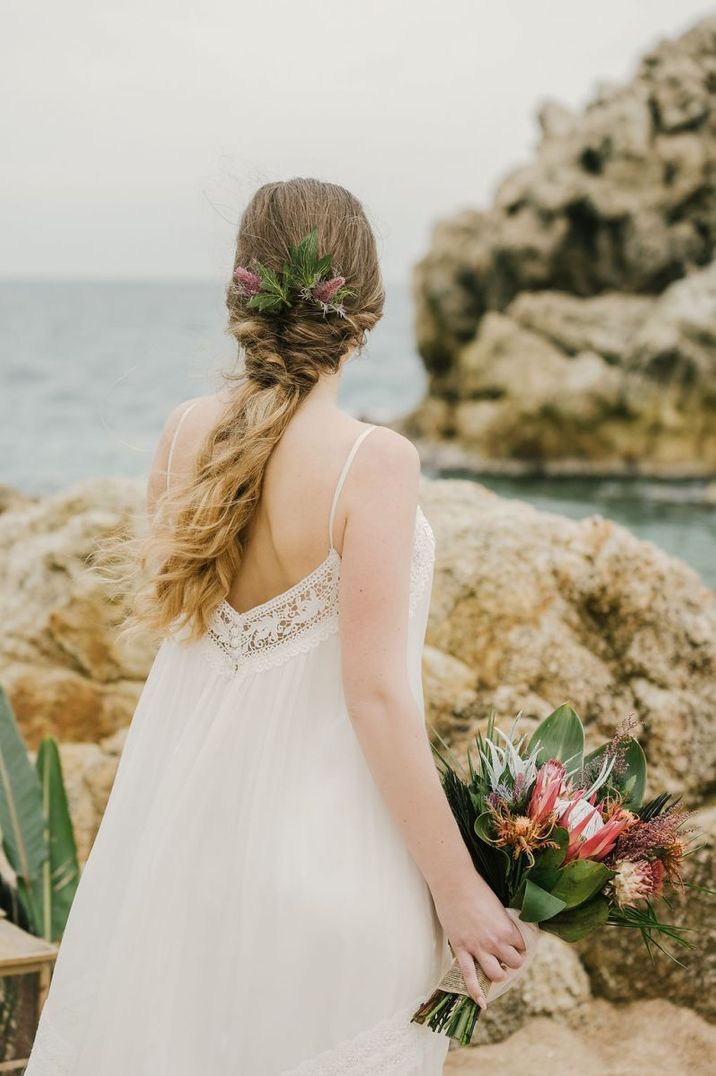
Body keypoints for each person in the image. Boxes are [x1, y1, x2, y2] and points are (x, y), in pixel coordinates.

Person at [24, 177, 525, 1075]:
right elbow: (374, 697)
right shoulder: (374, 462)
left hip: (179, 860)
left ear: (241, 295)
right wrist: (461, 893)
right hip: (331, 870)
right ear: (364, 310)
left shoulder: (183, 437)